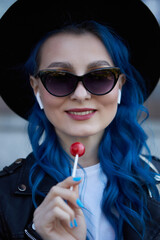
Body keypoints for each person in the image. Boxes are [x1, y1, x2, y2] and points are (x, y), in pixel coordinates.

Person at [0, 0, 160, 239]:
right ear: (36, 88)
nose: (81, 94)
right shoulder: (3, 197)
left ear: (120, 86)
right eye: (59, 77)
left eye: (100, 76)